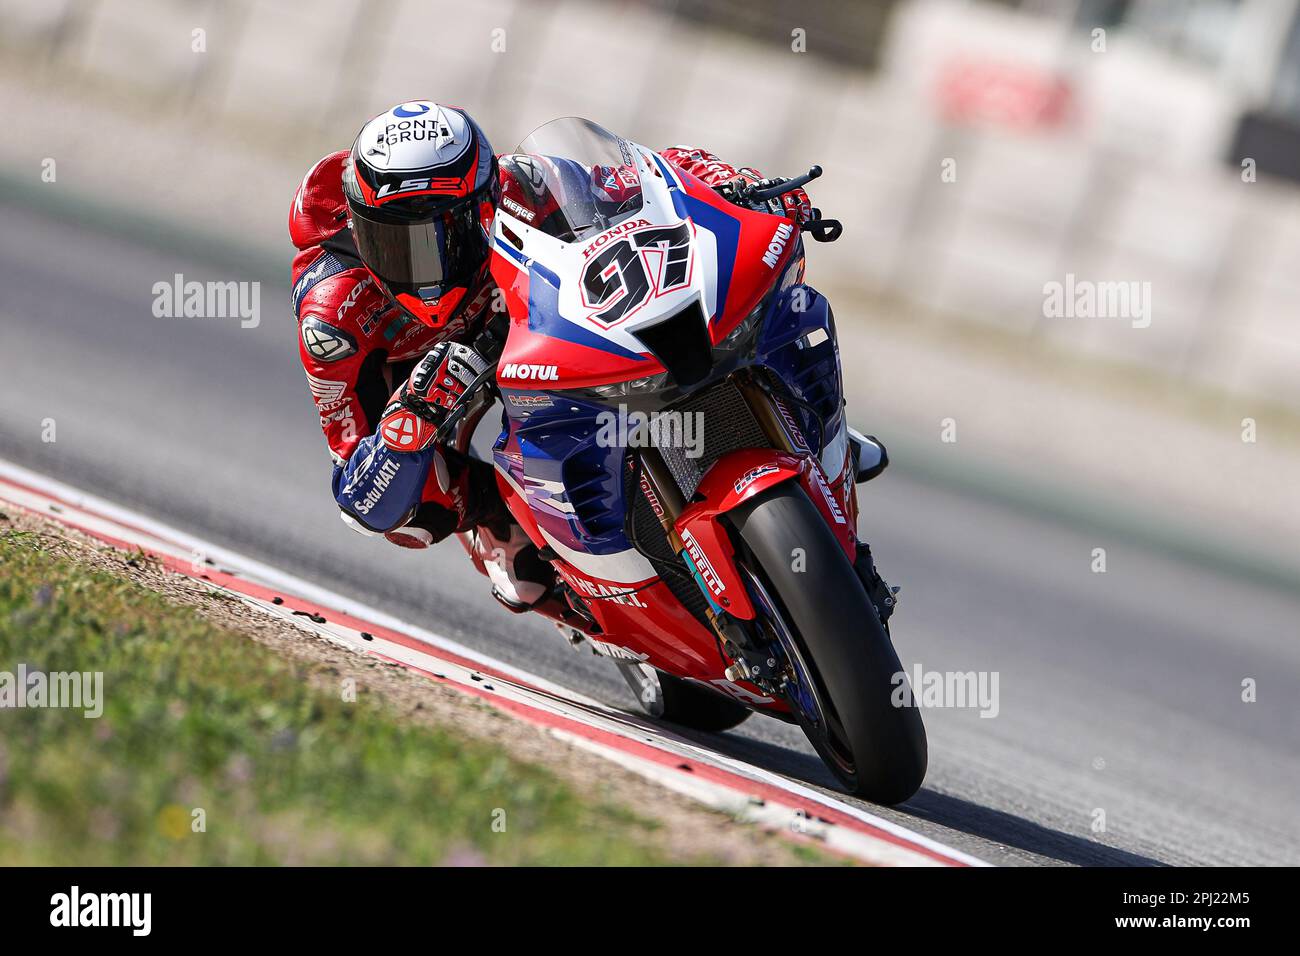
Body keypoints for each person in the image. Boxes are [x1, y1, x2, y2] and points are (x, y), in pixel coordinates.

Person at [288, 102, 810, 616]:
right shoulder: (333, 314)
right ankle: (526, 532)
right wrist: (412, 420)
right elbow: (362, 499)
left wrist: (724, 179)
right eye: (394, 244)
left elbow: (650, 178)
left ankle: (802, 424)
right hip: (429, 378)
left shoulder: (523, 185)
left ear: (484, 205)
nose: (425, 267)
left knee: (786, 308)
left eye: (445, 236)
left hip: (530, 331)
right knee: (448, 535)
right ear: (359, 231)